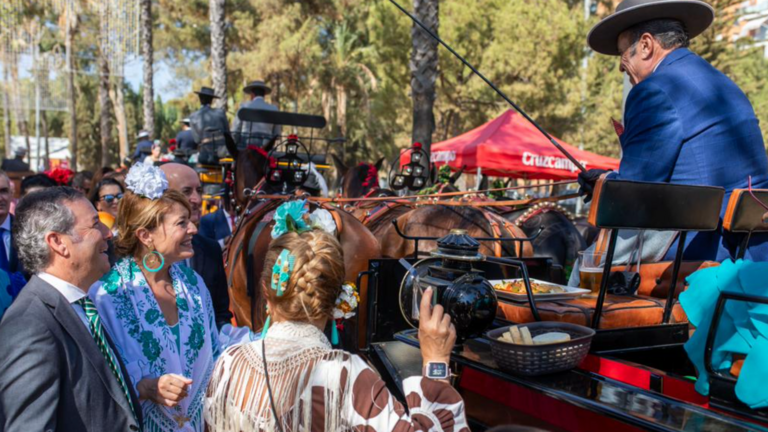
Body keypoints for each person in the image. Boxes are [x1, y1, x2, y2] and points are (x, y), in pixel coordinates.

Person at [205, 227, 468, 431]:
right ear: (338, 301)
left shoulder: (229, 363)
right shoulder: (348, 375)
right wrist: (436, 362)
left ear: (265, 292)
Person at [578, 0, 768, 263]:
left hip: (702, 252)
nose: (621, 67)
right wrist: (608, 180)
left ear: (646, 45)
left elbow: (634, 193)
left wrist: (604, 185)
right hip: (754, 251)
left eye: (623, 54)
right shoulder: (723, 83)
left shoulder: (654, 89)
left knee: (584, 267)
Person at [90, 163, 220, 432]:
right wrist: (145, 386)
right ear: (145, 235)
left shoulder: (194, 285)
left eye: (190, 221)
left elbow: (214, 353)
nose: (194, 229)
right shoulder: (108, 296)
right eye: (181, 223)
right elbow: (96, 380)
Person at [0, 187, 142, 432]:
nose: (108, 233)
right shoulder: (31, 325)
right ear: (58, 242)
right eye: (95, 224)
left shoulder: (82, 305)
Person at [161, 163, 232, 328]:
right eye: (186, 192)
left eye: (199, 191)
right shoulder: (131, 261)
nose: (197, 199)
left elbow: (221, 316)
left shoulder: (210, 249)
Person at [231, 80, 281, 148]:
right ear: (264, 95)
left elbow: (235, 130)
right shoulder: (274, 109)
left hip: (246, 145)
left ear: (252, 94)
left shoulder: (244, 107)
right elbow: (277, 134)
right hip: (266, 148)